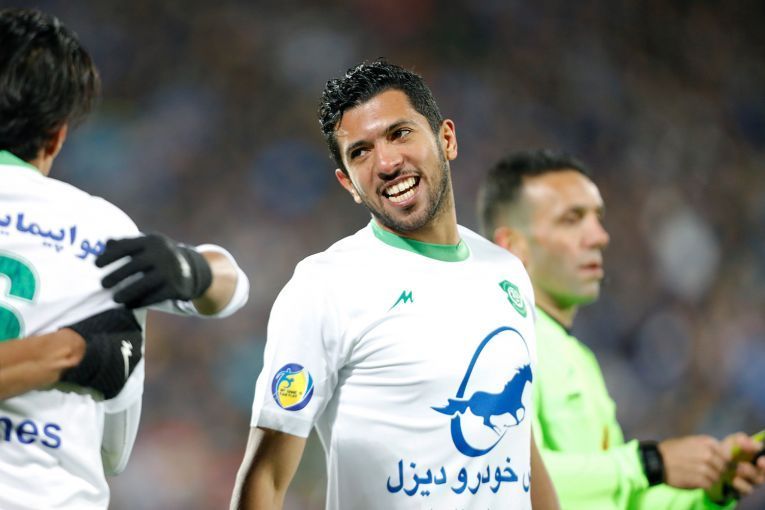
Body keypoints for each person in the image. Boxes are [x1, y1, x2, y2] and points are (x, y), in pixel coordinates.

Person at [231, 60, 559, 510]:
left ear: (447, 139)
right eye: (360, 153)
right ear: (348, 183)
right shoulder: (326, 286)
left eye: (400, 134)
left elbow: (520, 446)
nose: (386, 163)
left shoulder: (506, 272)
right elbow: (266, 478)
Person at [0, 8, 249, 509]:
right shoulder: (100, 230)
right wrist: (191, 269)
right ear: (58, 135)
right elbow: (231, 286)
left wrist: (191, 270)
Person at [477, 148, 765, 509]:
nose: (599, 236)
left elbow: (620, 500)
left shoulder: (579, 358)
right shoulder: (495, 341)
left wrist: (710, 490)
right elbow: (507, 478)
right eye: (572, 219)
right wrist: (650, 463)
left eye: (597, 218)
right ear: (512, 247)